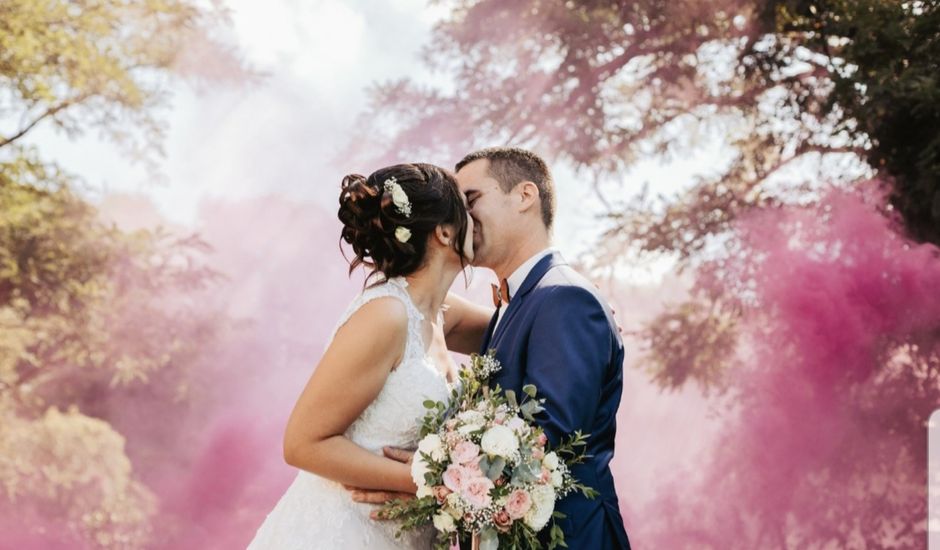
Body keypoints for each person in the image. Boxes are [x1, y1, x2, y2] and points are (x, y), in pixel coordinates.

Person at [352, 147, 632, 549]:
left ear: (524, 196)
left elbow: (543, 447)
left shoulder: (567, 300)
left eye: (471, 200)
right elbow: (422, 309)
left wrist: (430, 480)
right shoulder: (516, 305)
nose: (460, 219)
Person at [247, 162, 474, 549]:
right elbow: (302, 443)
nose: (479, 220)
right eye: (470, 206)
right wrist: (433, 481)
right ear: (445, 231)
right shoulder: (386, 314)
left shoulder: (440, 312)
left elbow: (523, 325)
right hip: (341, 532)